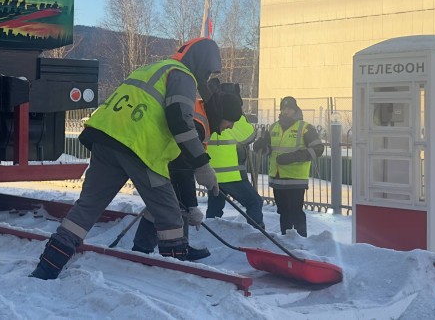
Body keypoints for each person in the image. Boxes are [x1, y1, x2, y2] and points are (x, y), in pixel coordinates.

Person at [30, 38, 223, 280]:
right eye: (209, 71)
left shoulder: (153, 68)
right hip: (139, 148)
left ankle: (46, 268)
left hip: (106, 140)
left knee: (87, 208)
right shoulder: (183, 76)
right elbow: (180, 121)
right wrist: (202, 165)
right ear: (202, 63)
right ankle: (177, 275)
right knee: (170, 215)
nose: (207, 77)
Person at [131, 89, 244, 261]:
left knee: (171, 202)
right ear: (222, 115)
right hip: (152, 157)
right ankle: (169, 250)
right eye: (230, 121)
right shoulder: (197, 123)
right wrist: (192, 206)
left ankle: (150, 248)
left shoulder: (202, 115)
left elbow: (185, 166)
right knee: (168, 204)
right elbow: (182, 170)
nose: (231, 126)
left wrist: (190, 204)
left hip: (159, 157)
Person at [252, 96, 324, 237]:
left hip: (295, 179)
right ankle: (286, 239)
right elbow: (268, 151)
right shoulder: (273, 127)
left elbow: (318, 149)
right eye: (283, 108)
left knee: (296, 212)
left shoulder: (305, 128)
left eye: (289, 108)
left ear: (295, 110)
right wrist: (259, 147)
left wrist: (294, 157)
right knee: (283, 213)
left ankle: (301, 240)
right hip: (277, 179)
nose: (286, 111)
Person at [204, 82, 264, 229]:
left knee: (215, 208)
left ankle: (210, 233)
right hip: (231, 174)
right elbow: (250, 136)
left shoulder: (209, 112)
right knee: (254, 202)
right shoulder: (232, 114)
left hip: (211, 172)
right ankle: (257, 233)